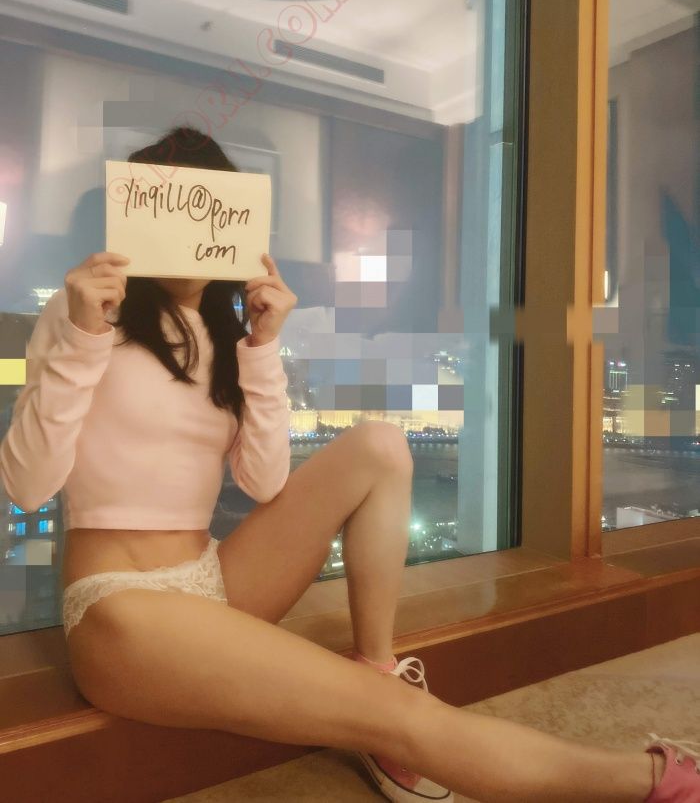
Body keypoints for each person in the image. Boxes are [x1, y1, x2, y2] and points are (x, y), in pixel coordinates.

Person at [1, 125, 698, 803]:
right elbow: (27, 485)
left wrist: (262, 346)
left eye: (207, 207)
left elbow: (264, 481)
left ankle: (376, 660)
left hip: (214, 579)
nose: (188, 228)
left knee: (380, 445)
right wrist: (84, 338)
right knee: (401, 716)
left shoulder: (226, 332)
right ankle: (656, 782)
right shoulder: (85, 315)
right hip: (119, 605)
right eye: (168, 206)